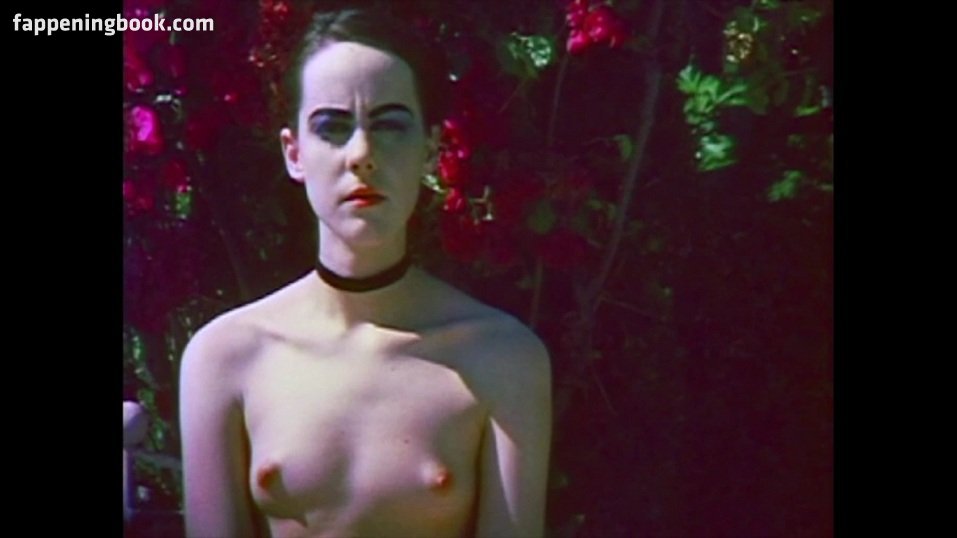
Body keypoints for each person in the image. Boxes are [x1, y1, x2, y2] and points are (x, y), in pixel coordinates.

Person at [179, 7, 552, 537]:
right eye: (332, 128)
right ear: (294, 153)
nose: (361, 154)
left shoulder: (502, 358)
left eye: (390, 125)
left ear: (430, 149)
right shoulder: (225, 358)